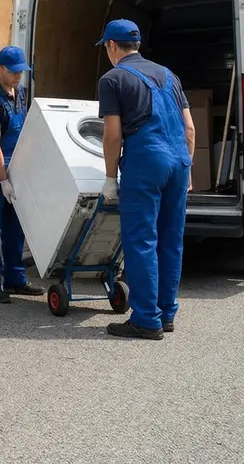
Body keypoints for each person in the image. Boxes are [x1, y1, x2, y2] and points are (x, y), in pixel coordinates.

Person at [96, 19, 195, 340]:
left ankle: (146, 320)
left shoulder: (113, 79)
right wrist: (188, 168)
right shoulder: (170, 76)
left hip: (146, 161)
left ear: (112, 46)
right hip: (178, 162)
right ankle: (166, 314)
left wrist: (110, 178)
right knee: (171, 241)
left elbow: (112, 135)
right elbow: (190, 129)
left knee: (141, 242)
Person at [0, 45, 44, 304]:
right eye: (13, 72)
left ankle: (15, 278)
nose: (17, 77)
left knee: (15, 224)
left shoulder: (20, 93)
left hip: (15, 159)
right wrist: (3, 181)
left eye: (21, 72)